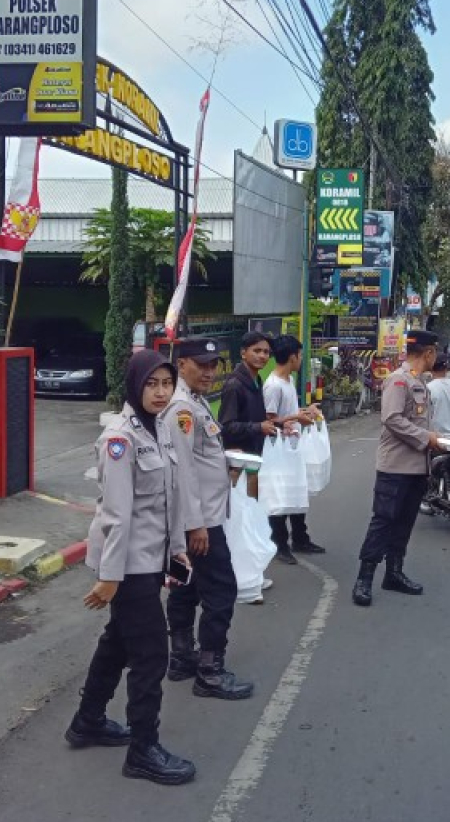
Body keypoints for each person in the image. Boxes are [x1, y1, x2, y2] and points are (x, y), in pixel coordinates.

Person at [67, 350, 195, 786]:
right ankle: (143, 750)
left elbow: (167, 498)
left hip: (147, 558)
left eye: (166, 384)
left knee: (118, 643)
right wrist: (109, 578)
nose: (160, 392)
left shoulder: (157, 429)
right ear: (135, 385)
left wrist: (176, 550)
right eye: (151, 384)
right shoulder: (120, 438)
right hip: (127, 566)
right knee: (151, 656)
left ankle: (88, 720)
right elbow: (117, 515)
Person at [162, 338, 254, 701]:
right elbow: (181, 469)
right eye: (201, 365)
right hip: (199, 521)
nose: (209, 372)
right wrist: (195, 523)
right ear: (181, 364)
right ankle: (210, 672)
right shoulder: (182, 408)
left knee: (186, 585)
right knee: (221, 590)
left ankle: (182, 657)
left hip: (200, 515)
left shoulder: (195, 402)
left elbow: (200, 457)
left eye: (213, 364)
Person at [352, 330, 443, 607]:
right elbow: (391, 418)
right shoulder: (398, 380)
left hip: (417, 467)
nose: (435, 357)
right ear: (428, 353)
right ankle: (364, 578)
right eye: (435, 352)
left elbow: (419, 422)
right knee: (383, 521)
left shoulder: (419, 382)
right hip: (395, 467)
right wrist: (426, 438)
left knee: (405, 523)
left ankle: (394, 573)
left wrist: (434, 438)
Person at [263, 334, 325, 563]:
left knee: (298, 493)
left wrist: (305, 412)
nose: (301, 360)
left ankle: (300, 538)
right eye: (300, 356)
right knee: (280, 498)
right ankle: (280, 545)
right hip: (278, 451)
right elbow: (270, 421)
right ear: (292, 357)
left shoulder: (288, 381)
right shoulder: (273, 386)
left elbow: (288, 413)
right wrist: (296, 417)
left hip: (293, 446)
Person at [218, 331, 278, 456]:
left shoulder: (257, 380)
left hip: (255, 454)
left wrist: (281, 425)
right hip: (239, 460)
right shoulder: (234, 385)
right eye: (257, 351)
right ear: (243, 353)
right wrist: (259, 427)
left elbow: (255, 418)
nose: (262, 356)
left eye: (266, 352)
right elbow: (226, 427)